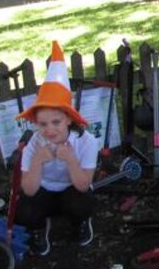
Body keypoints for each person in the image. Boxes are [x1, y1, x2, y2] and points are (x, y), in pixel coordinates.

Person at [15, 41, 98, 257]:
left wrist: (70, 160)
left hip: (72, 191)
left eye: (56, 122)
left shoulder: (86, 141)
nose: (50, 130)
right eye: (43, 124)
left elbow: (83, 185)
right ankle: (40, 228)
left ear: (69, 119)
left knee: (83, 203)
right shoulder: (35, 143)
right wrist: (37, 161)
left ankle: (80, 223)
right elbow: (29, 189)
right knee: (23, 211)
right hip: (44, 193)